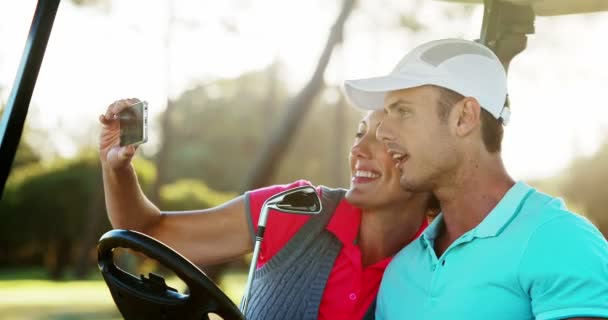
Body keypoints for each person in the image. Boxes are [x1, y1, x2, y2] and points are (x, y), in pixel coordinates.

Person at [344, 38, 608, 320]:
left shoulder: (559, 239)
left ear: (464, 117)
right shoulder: (401, 271)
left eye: (403, 112)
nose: (383, 132)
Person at [99, 101, 437, 320]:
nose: (359, 149)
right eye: (359, 134)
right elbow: (146, 230)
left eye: (381, 138)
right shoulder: (292, 209)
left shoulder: (441, 262)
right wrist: (117, 169)